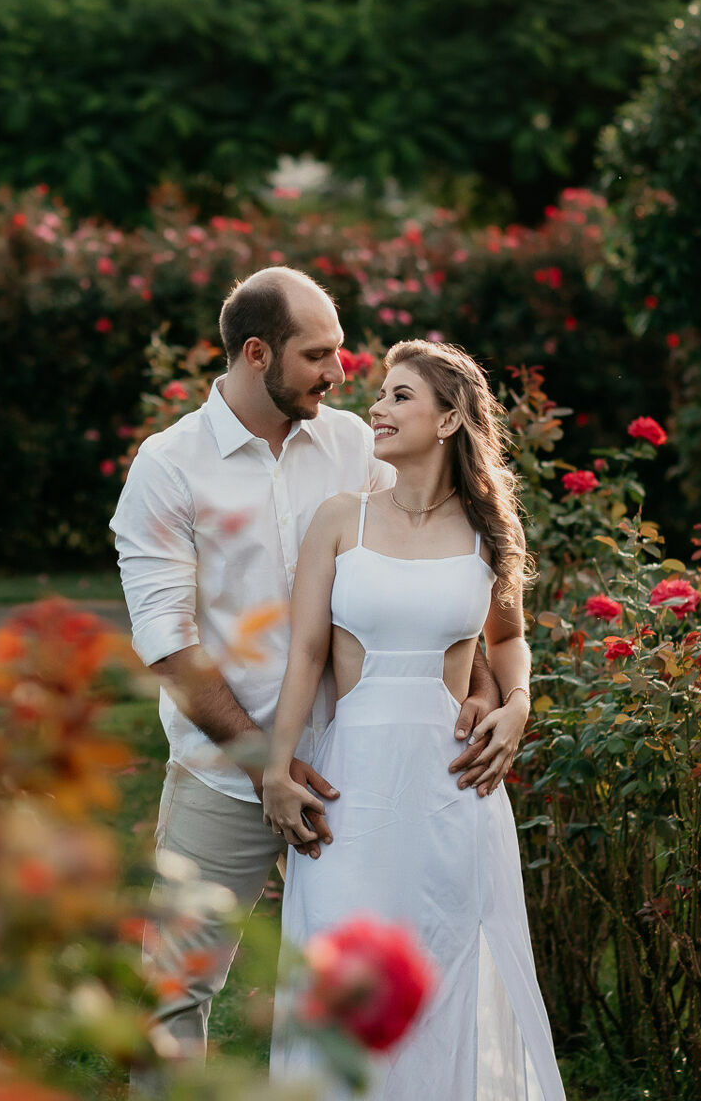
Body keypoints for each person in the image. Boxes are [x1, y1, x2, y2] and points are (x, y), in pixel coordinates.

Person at [110, 268, 523, 1090]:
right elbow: (168, 642)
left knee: (375, 977)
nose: (341, 373)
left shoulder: (351, 445)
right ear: (257, 353)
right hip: (225, 773)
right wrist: (265, 761)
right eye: (319, 355)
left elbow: (424, 572)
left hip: (361, 774)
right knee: (174, 987)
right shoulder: (169, 467)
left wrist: (485, 684)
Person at [261, 339, 567, 1100]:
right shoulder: (341, 520)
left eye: (400, 396)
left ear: (451, 419)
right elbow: (304, 657)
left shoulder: (488, 531)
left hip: (452, 789)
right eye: (381, 394)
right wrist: (275, 767)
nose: (378, 407)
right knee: (341, 978)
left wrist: (518, 705)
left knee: (445, 973)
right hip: (351, 789)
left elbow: (508, 638)